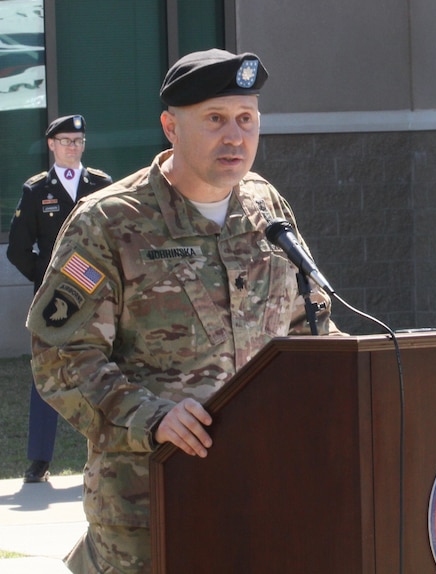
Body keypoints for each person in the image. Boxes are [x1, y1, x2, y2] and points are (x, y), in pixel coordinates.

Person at [26, 49, 340, 573]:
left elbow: (311, 327)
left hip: (264, 495)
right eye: (214, 120)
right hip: (148, 508)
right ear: (171, 126)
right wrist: (154, 418)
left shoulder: (265, 206)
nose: (235, 137)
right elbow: (61, 359)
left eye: (245, 119)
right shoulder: (108, 222)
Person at [7, 114, 112, 483]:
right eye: (66, 141)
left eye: (79, 141)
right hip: (56, 301)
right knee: (47, 374)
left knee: (106, 370)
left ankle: (110, 447)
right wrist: (49, 279)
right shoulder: (37, 191)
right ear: (51, 144)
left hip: (100, 298)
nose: (73, 147)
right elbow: (18, 249)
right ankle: (39, 459)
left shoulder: (100, 185)